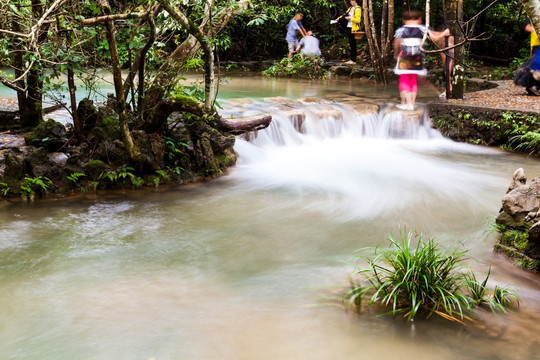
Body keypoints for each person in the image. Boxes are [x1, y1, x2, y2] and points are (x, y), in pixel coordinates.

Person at [393, 11, 449, 110]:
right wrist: (444, 33)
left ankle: (406, 104)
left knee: (404, 80)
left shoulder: (401, 30)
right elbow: (435, 38)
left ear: (404, 20)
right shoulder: (423, 29)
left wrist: (396, 55)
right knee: (413, 80)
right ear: (418, 19)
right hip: (417, 57)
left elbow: (396, 45)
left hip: (405, 56)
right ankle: (412, 104)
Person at [344, 0, 362, 65]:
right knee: (351, 44)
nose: (350, 2)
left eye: (351, 0)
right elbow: (344, 14)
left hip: (353, 28)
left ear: (355, 1)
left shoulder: (358, 9)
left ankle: (353, 60)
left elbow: (358, 20)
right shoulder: (351, 8)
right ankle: (352, 59)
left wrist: (350, 18)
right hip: (349, 27)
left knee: (353, 44)